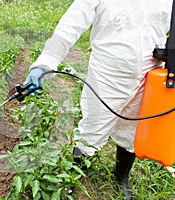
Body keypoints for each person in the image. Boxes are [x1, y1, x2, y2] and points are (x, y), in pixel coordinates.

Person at [24, 0, 172, 199]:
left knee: (133, 129)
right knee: (93, 129)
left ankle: (121, 177)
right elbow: (70, 25)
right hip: (107, 73)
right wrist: (45, 62)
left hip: (150, 73)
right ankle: (72, 177)